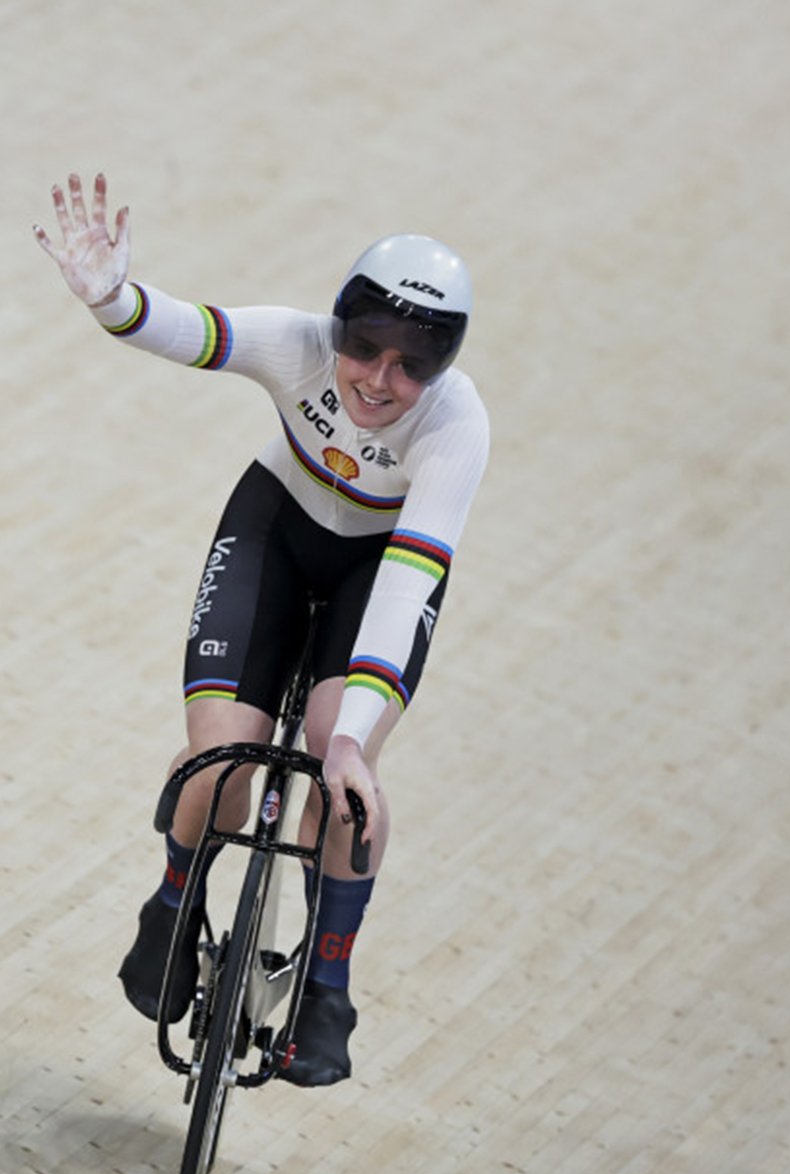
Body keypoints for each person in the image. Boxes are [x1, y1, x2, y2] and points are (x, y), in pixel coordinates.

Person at [35, 173, 489, 1087]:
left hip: (377, 571)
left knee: (339, 769)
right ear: (339, 329)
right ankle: (173, 903)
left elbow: (409, 580)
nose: (380, 380)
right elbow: (194, 332)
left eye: (412, 364)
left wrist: (354, 741)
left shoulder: (456, 426)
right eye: (366, 348)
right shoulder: (298, 345)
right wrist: (112, 300)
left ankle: (327, 983)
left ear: (441, 367)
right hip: (276, 530)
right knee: (220, 759)